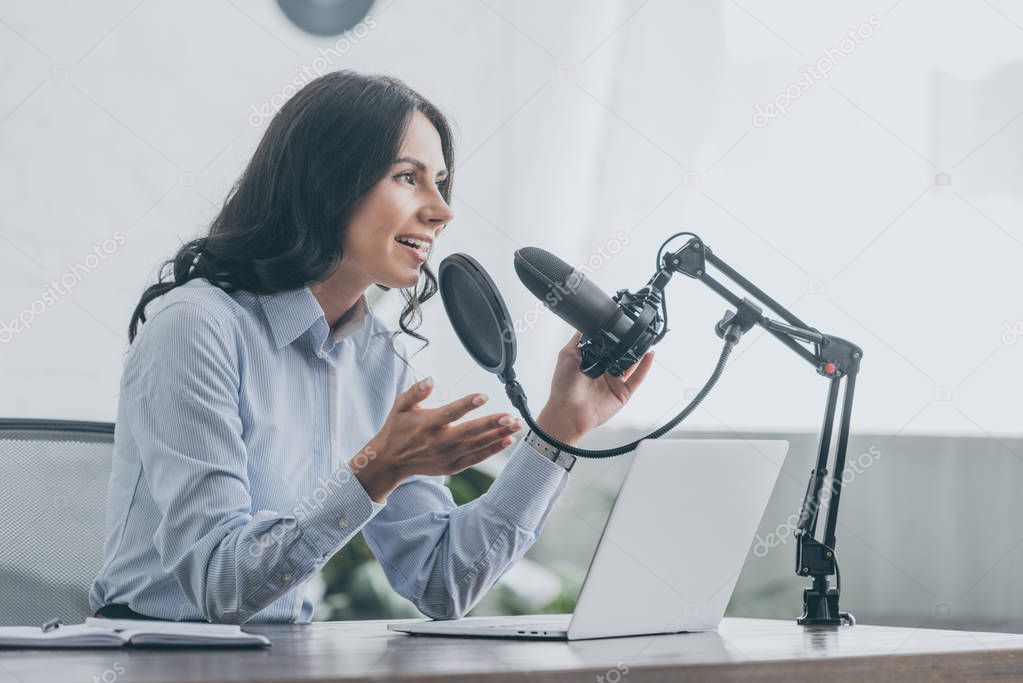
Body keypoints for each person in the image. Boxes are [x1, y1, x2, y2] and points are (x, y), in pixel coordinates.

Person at [89, 71, 654, 624]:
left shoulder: (378, 358)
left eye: (440, 181)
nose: (442, 208)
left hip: (280, 663)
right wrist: (374, 470)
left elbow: (441, 581)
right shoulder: (196, 326)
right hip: (156, 659)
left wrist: (558, 429)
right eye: (408, 177)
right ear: (326, 182)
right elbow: (221, 583)